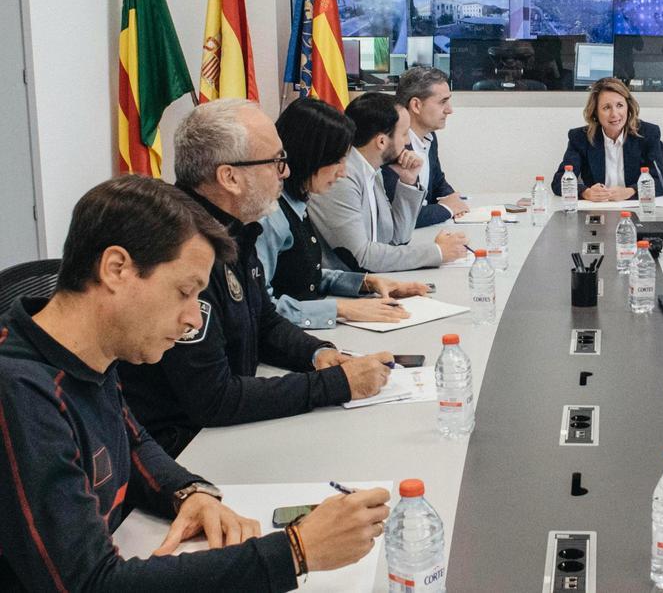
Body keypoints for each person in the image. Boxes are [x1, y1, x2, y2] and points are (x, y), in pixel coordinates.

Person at [0, 175, 391, 590]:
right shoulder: (20, 392)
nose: (193, 319)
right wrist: (294, 552)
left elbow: (132, 441)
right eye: (185, 292)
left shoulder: (87, 347)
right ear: (116, 269)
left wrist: (187, 491)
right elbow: (91, 585)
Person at [119, 99, 392, 457]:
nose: (285, 173)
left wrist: (318, 354)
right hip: (185, 450)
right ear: (229, 177)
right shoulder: (180, 250)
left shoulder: (236, 230)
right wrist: (333, 386)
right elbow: (213, 399)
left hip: (225, 433)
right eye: (276, 161)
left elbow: (264, 323)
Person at [257, 98, 430, 330]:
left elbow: (306, 275)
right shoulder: (269, 216)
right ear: (312, 157)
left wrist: (365, 283)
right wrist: (342, 309)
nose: (343, 172)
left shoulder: (297, 203)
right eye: (337, 160)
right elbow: (260, 309)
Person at [310, 91, 470, 273]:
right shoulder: (341, 177)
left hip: (371, 281)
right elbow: (363, 257)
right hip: (343, 289)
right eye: (404, 134)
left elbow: (397, 238)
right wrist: (437, 252)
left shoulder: (372, 169)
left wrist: (408, 182)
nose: (408, 141)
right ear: (381, 141)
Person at [551, 77, 663, 200]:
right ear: (595, 112)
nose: (614, 114)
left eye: (620, 105)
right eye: (606, 107)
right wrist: (586, 192)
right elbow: (559, 183)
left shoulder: (648, 133)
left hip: (635, 210)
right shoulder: (580, 138)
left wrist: (630, 191)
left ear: (628, 107)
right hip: (597, 210)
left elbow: (660, 183)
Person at [384, 66, 467, 227]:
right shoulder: (392, 145)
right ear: (416, 105)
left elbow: (437, 182)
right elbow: (403, 215)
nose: (450, 110)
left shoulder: (429, 136)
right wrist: (448, 208)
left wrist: (453, 199)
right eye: (443, 102)